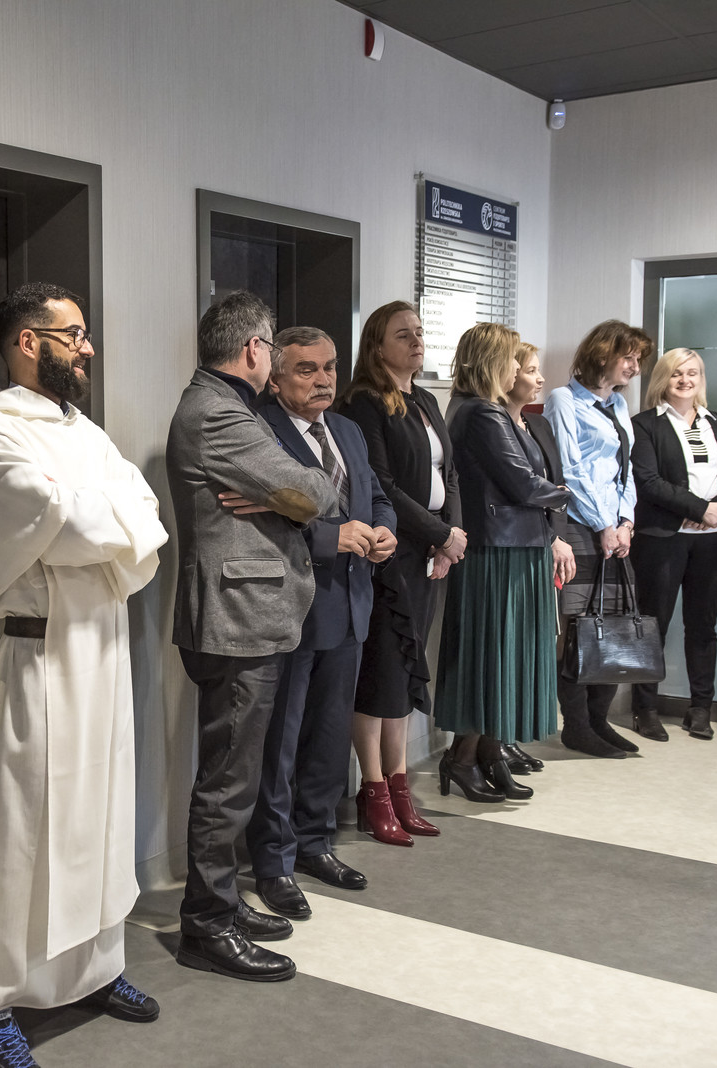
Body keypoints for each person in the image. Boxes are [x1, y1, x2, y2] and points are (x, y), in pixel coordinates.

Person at [0, 284, 168, 1068]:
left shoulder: (85, 432)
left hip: (100, 646)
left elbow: (144, 513)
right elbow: (69, 524)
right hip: (38, 658)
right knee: (25, 831)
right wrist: (97, 515)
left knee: (100, 819)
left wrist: (95, 513)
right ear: (27, 342)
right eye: (74, 335)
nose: (88, 348)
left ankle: (92, 972)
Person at [167, 291, 341, 982]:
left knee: (234, 777)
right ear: (254, 349)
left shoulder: (227, 409)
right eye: (271, 348)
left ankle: (223, 903)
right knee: (227, 784)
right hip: (235, 620)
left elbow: (302, 494)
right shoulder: (218, 414)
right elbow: (317, 492)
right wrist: (289, 496)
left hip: (248, 616)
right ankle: (207, 925)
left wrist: (281, 498)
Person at [246, 326, 398, 922]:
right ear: (276, 377)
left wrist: (384, 529)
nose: (323, 379)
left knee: (330, 739)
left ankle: (315, 842)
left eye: (330, 367)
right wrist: (333, 537)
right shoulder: (260, 432)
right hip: (292, 609)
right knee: (280, 744)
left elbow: (376, 496)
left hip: (350, 605)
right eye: (306, 370)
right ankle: (274, 862)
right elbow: (261, 521)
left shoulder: (348, 430)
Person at [336, 302, 464, 817]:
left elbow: (449, 474)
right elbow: (382, 485)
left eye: (419, 333)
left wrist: (450, 535)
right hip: (390, 554)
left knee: (408, 672)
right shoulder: (363, 403)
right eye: (403, 335)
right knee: (382, 673)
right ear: (377, 345)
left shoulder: (426, 399)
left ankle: (399, 785)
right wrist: (439, 533)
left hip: (430, 551)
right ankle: (374, 791)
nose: (416, 342)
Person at [436, 325, 570, 801]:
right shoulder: (482, 413)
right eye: (513, 359)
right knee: (493, 658)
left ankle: (489, 752)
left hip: (515, 547)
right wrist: (565, 494)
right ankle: (463, 758)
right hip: (499, 552)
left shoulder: (486, 410)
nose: (518, 368)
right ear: (493, 361)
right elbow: (524, 484)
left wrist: (549, 494)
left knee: (504, 659)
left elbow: (529, 481)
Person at [544, 320, 651, 758]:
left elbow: (627, 469)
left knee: (616, 626)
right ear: (602, 354)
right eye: (629, 356)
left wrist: (625, 521)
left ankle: (599, 721)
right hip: (578, 526)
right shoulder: (563, 400)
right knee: (581, 629)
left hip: (614, 528)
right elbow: (568, 470)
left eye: (638, 359)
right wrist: (604, 524)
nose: (635, 366)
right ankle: (576, 726)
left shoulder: (618, 404)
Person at [629, 348, 717, 741]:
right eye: (677, 373)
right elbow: (648, 481)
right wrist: (699, 508)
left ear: (701, 379)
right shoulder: (645, 425)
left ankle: (700, 709)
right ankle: (645, 709)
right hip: (664, 539)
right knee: (653, 625)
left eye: (692, 373)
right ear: (664, 378)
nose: (685, 380)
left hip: (714, 541)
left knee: (703, 627)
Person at [505, 342, 573, 774]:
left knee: (533, 647)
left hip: (544, 541)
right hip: (517, 545)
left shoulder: (537, 423)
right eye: (531, 370)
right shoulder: (492, 420)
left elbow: (556, 484)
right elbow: (527, 490)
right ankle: (495, 741)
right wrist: (550, 536)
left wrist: (557, 537)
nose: (541, 378)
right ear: (508, 374)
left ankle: (509, 738)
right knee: (509, 650)